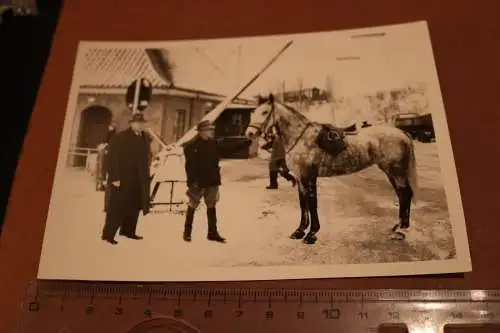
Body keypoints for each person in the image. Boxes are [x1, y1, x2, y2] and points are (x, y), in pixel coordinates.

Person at [101, 113, 152, 245]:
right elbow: (112, 158)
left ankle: (128, 231)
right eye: (136, 123)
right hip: (122, 179)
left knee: (134, 206)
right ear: (131, 124)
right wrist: (115, 177)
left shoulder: (145, 138)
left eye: (141, 123)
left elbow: (146, 158)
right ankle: (108, 234)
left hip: (138, 179)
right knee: (117, 206)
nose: (139, 125)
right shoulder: (121, 137)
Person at [182, 119, 226, 243]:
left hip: (212, 180)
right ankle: (187, 233)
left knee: (211, 206)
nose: (212, 132)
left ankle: (212, 233)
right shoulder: (192, 146)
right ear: (201, 131)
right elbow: (189, 166)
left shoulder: (214, 144)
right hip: (198, 182)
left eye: (212, 130)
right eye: (209, 130)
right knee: (192, 205)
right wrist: (192, 182)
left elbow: (227, 149)